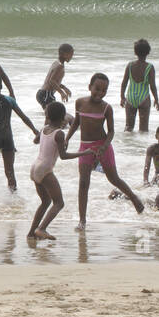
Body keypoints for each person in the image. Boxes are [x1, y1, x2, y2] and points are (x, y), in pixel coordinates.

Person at [72, 72, 145, 226]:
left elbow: (111, 132)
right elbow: (76, 123)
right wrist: (66, 138)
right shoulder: (79, 103)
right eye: (97, 89)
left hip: (103, 146)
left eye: (104, 90)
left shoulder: (106, 108)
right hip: (85, 147)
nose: (100, 93)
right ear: (89, 87)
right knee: (83, 183)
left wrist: (104, 147)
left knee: (114, 179)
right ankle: (82, 220)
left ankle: (133, 198)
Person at [27, 102, 94, 241]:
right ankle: (42, 228)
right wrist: (84, 153)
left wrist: (59, 144)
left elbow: (35, 141)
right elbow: (63, 156)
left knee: (45, 202)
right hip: (45, 169)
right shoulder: (59, 133)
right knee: (59, 203)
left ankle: (31, 233)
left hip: (35, 167)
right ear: (63, 117)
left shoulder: (44, 128)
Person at [120, 38, 159, 132]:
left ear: (135, 52)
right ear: (148, 52)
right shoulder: (149, 67)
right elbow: (152, 86)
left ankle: (128, 146)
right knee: (143, 129)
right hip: (144, 98)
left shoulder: (130, 65)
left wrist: (122, 97)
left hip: (130, 98)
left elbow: (124, 83)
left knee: (128, 128)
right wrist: (156, 99)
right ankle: (141, 146)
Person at [37, 44, 74, 108]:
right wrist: (62, 93)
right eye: (71, 54)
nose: (71, 57)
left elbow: (54, 81)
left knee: (51, 114)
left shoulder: (56, 62)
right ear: (64, 54)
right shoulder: (60, 66)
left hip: (43, 93)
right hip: (47, 94)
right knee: (54, 115)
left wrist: (64, 88)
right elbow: (51, 81)